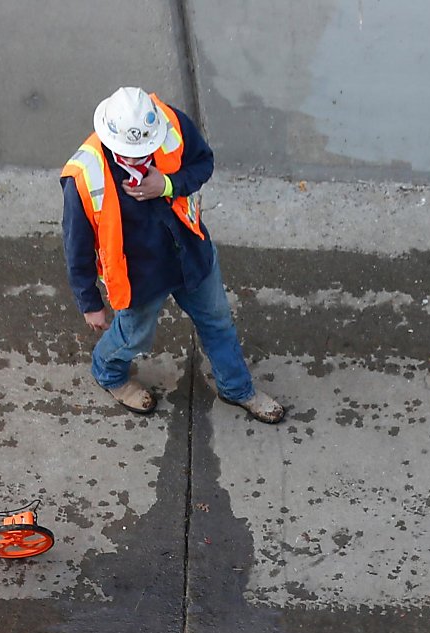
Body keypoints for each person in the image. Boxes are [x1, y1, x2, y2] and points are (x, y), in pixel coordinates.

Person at [62, 86, 284, 424]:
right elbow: (76, 246)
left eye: (143, 152)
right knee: (134, 336)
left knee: (218, 322)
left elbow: (203, 163)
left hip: (191, 254)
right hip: (139, 276)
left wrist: (166, 185)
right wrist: (89, 302)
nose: (137, 160)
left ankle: (237, 389)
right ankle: (108, 372)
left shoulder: (169, 124)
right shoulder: (83, 175)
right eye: (129, 154)